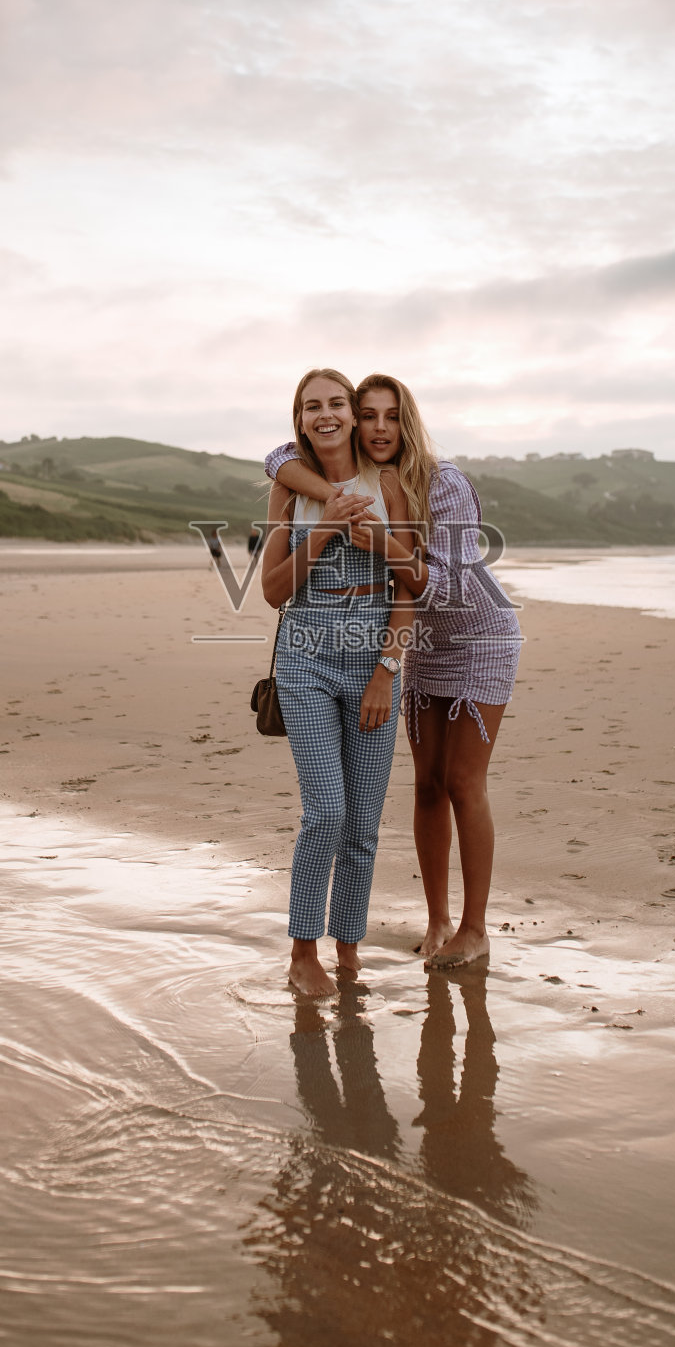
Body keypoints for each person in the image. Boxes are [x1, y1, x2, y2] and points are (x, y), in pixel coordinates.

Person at [264, 373, 522, 970]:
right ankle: (428, 924)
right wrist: (328, 512)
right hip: (402, 644)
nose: (377, 426)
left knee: (458, 783)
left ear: (404, 422)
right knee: (412, 788)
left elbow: (439, 584)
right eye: (367, 413)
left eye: (388, 416)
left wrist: (381, 551)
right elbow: (280, 459)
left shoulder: (430, 483)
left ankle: (471, 928)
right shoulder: (299, 477)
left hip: (471, 635)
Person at [261, 368, 415, 998]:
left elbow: (409, 586)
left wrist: (387, 671)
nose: (324, 415)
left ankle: (348, 950)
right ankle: (303, 952)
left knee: (363, 824)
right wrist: (324, 526)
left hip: (372, 653)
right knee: (325, 811)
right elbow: (271, 592)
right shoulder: (286, 489)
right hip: (305, 653)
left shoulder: (389, 484)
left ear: (353, 414)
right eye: (309, 407)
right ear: (300, 421)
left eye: (335, 404)